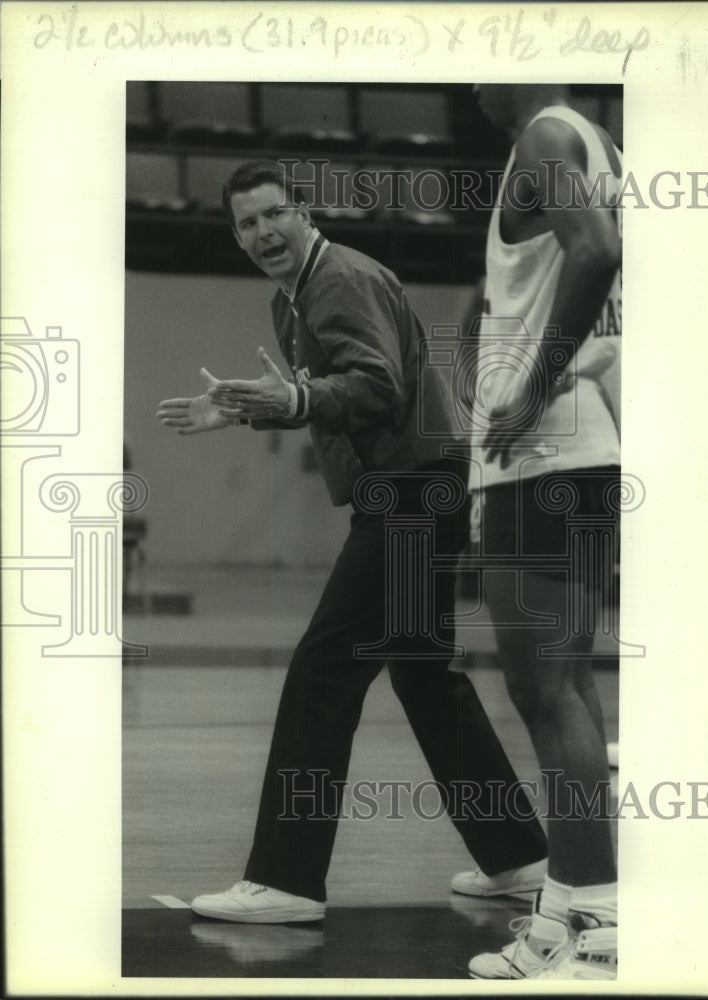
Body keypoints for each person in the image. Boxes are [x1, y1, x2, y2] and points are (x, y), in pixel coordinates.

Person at [157, 159, 548, 923]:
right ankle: (520, 859)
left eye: (274, 214)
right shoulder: (294, 297)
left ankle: (287, 881)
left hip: (407, 493)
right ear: (236, 236)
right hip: (414, 487)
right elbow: (334, 398)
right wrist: (250, 409)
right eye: (246, 223)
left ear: (303, 212)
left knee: (321, 672)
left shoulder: (339, 277)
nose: (263, 231)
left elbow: (378, 386)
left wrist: (296, 398)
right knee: (425, 678)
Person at [461, 85, 623, 980]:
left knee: (546, 692)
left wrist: (527, 386)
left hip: (547, 449)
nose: (469, 87)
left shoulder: (544, 136)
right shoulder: (597, 138)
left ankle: (599, 928)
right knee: (567, 691)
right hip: (582, 443)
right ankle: (571, 913)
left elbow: (598, 251)